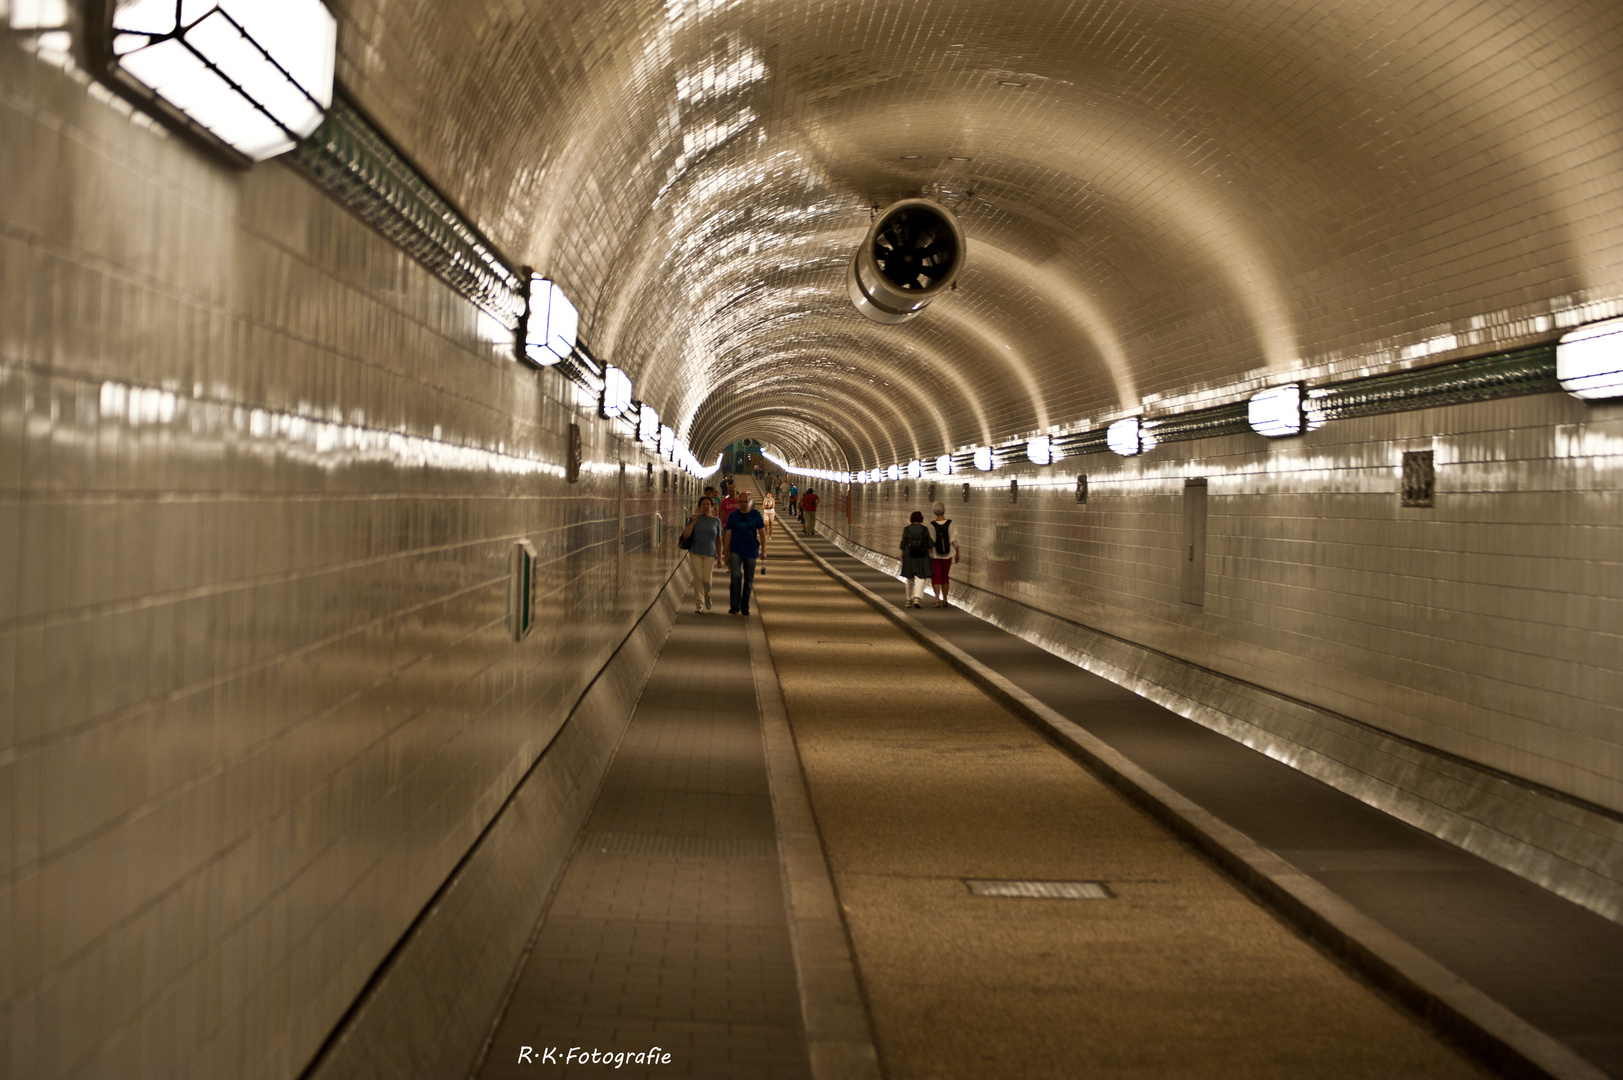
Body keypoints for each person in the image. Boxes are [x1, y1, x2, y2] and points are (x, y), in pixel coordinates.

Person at [722, 490, 766, 616]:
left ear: (749, 501)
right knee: (736, 576)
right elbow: (728, 534)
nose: (743, 504)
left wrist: (763, 550)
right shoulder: (733, 516)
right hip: (736, 550)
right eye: (740, 501)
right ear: (737, 502)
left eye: (745, 501)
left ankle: (745, 605)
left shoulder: (756, 515)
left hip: (751, 551)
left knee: (748, 579)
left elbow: (762, 533)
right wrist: (726, 553)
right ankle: (735, 605)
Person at [680, 497, 726, 613]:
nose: (706, 506)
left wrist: (720, 557)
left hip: (710, 553)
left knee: (706, 580)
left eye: (708, 504)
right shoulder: (694, 519)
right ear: (699, 507)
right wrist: (693, 523)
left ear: (711, 507)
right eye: (703, 504)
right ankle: (699, 604)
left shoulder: (716, 521)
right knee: (698, 578)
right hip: (695, 552)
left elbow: (719, 540)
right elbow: (685, 535)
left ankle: (708, 596)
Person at [899, 510, 934, 608]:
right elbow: (930, 543)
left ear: (911, 519)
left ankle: (908, 600)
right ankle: (916, 599)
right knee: (920, 577)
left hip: (909, 555)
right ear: (921, 519)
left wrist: (902, 554)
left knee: (909, 578)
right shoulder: (924, 529)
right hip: (921, 556)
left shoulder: (907, 529)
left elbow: (903, 543)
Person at [929, 501, 960, 607]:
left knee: (936, 576)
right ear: (944, 510)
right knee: (945, 576)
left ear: (934, 512)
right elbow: (955, 540)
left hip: (934, 555)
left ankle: (937, 599)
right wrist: (957, 554)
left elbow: (930, 541)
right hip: (948, 555)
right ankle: (945, 599)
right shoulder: (951, 523)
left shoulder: (931, 525)